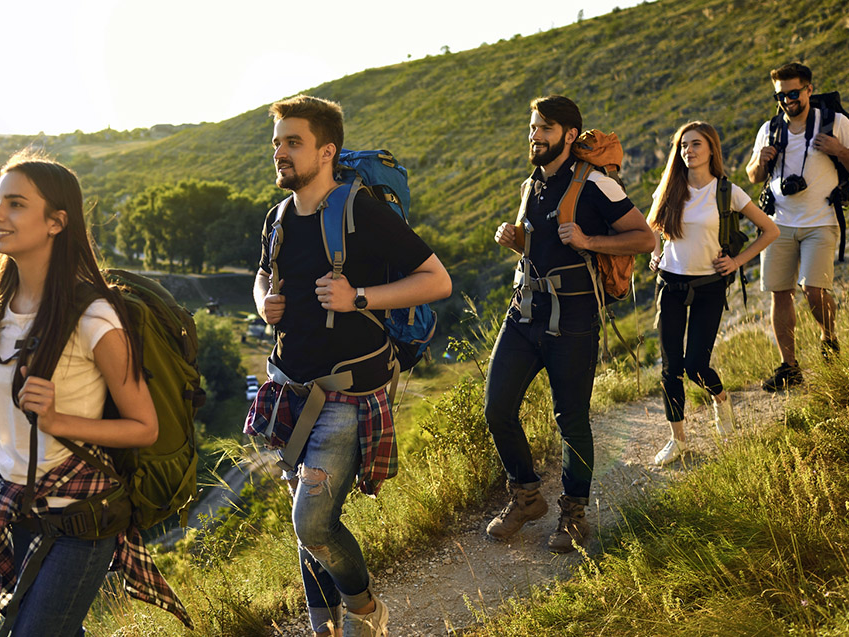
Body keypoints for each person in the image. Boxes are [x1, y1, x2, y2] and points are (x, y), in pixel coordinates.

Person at [0, 151, 188, 635]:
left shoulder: (94, 316)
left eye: (15, 204)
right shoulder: (0, 308)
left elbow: (145, 427)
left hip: (80, 519)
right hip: (13, 508)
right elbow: (16, 415)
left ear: (57, 221)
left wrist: (57, 421)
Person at [245, 95, 451, 637]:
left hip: (346, 394)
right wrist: (263, 300)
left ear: (327, 150)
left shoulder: (360, 209)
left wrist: (357, 296)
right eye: (276, 144)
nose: (281, 154)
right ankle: (324, 625)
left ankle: (363, 609)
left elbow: (437, 280)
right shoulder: (280, 216)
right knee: (304, 521)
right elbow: (262, 276)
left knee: (311, 522)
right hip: (289, 387)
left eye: (293, 143)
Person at [485, 95, 655, 552]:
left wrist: (588, 239)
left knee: (571, 419)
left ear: (567, 134)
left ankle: (574, 513)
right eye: (532, 128)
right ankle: (525, 496)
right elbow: (540, 248)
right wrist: (515, 240)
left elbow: (645, 236)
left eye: (543, 128)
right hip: (524, 314)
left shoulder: (598, 184)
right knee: (497, 408)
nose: (535, 136)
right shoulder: (531, 186)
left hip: (575, 319)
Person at [647, 122, 779, 465]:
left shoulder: (727, 191)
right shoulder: (668, 187)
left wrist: (736, 261)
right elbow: (651, 230)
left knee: (695, 366)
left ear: (711, 150)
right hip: (670, 285)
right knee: (670, 367)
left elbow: (770, 229)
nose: (688, 151)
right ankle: (678, 440)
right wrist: (654, 254)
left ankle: (721, 400)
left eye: (696, 145)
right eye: (683, 146)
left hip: (708, 286)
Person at [746, 62, 849, 391]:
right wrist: (761, 161)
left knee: (813, 289)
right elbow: (752, 176)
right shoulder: (769, 129)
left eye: (793, 92)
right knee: (780, 293)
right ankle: (789, 367)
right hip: (777, 224)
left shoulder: (834, 123)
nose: (788, 99)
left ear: (808, 90)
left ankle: (828, 336)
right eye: (781, 94)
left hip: (821, 220)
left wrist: (839, 150)